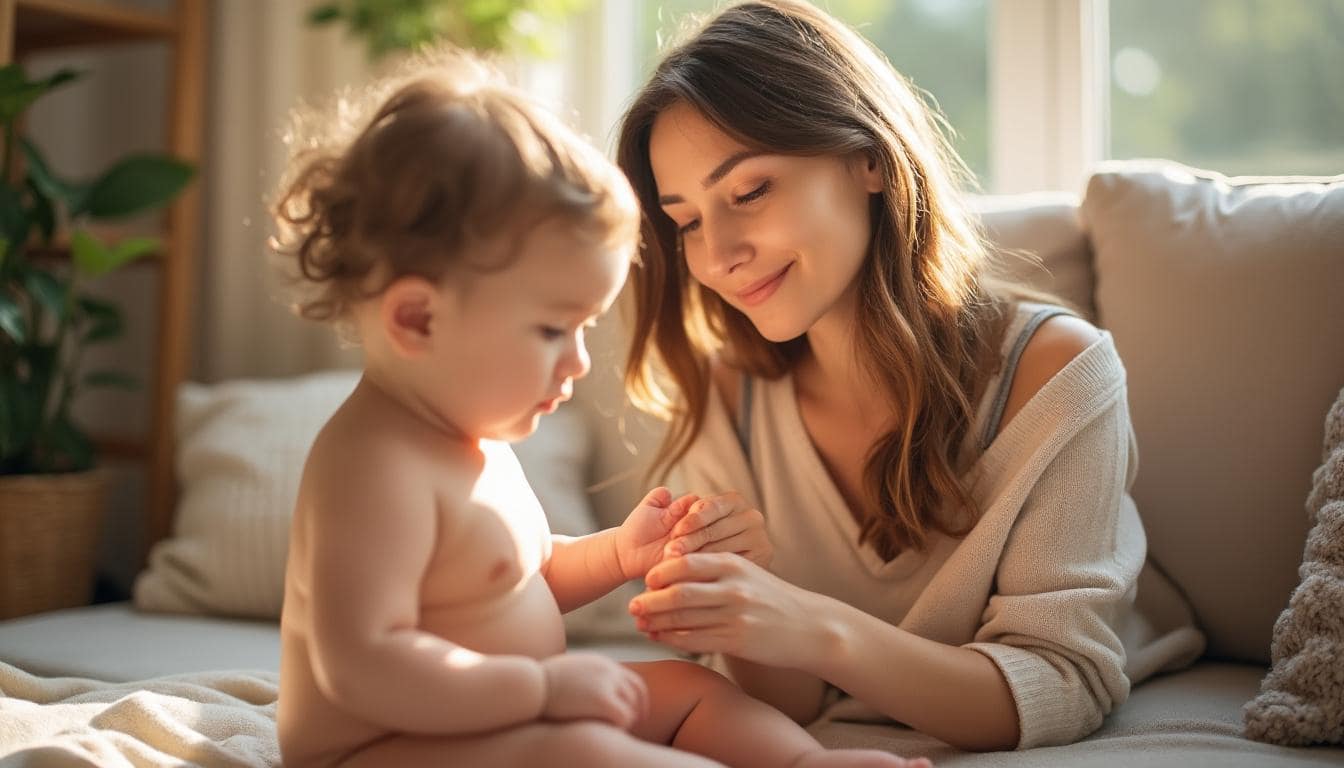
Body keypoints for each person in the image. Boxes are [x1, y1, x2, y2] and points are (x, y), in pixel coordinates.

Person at [268, 50, 930, 768]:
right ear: (418, 321)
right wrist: (539, 690)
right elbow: (364, 665)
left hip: (501, 723)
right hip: (382, 749)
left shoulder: (470, 442)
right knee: (580, 749)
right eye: (554, 329)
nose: (580, 362)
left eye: (586, 328)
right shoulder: (371, 468)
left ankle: (801, 763)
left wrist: (618, 554)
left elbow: (517, 580)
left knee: (683, 688)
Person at [615, 0, 1204, 753]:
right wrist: (750, 611)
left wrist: (814, 626)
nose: (719, 253)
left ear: (869, 159)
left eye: (750, 191)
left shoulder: (1056, 374)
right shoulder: (731, 396)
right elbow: (789, 705)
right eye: (687, 221)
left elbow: (1061, 683)